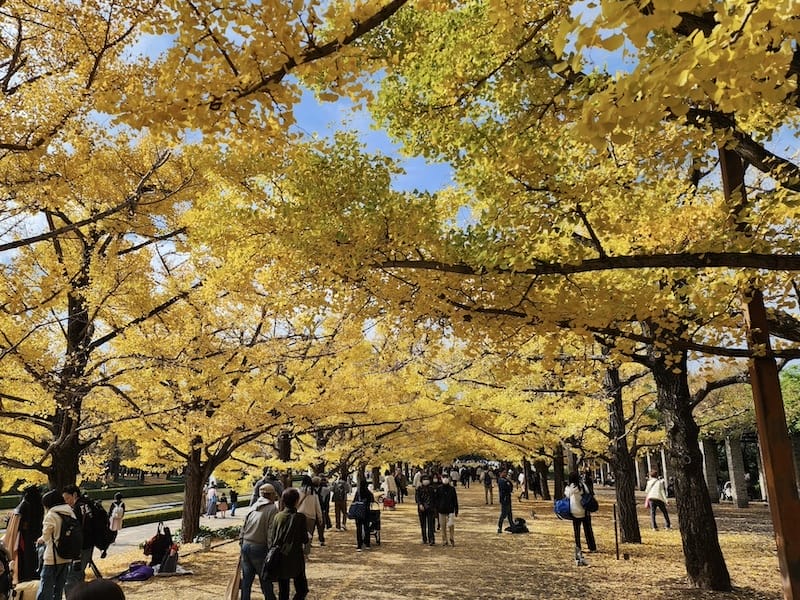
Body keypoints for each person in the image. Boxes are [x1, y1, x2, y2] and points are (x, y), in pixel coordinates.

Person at [239, 483, 279, 600]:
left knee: (247, 580)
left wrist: (241, 543)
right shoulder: (272, 509)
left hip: (246, 545)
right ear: (271, 495)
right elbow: (271, 532)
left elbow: (243, 527)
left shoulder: (253, 506)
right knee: (265, 578)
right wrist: (272, 550)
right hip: (260, 547)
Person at [268, 488, 309, 600]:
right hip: (296, 557)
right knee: (302, 589)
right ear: (296, 501)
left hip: (280, 557)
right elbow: (305, 539)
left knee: (283, 591)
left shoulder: (278, 516)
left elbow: (272, 538)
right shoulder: (300, 517)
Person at [36, 489, 74, 600]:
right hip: (66, 556)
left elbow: (46, 537)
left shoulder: (51, 515)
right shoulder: (70, 512)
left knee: (45, 589)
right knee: (59, 589)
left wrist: (41, 539)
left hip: (52, 558)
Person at [61, 485, 95, 594]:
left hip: (79, 548)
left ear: (74, 495)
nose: (66, 502)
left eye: (67, 498)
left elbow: (76, 530)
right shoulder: (87, 504)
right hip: (88, 545)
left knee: (71, 577)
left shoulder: (76, 508)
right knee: (79, 575)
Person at [10, 485, 44, 583]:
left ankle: (26, 576)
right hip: (37, 532)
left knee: (26, 556)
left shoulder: (25, 503)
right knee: (36, 556)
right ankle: (35, 574)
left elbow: (18, 519)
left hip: (26, 535)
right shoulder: (40, 503)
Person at [565, 471, 596, 566]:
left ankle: (578, 547)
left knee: (576, 531)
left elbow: (567, 495)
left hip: (574, 512)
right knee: (588, 529)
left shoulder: (570, 488)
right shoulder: (582, 486)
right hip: (584, 511)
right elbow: (590, 493)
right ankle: (592, 547)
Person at [296, 476, 323, 552]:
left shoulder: (299, 491)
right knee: (309, 535)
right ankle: (306, 552)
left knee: (299, 535)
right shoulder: (313, 493)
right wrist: (320, 517)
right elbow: (317, 506)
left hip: (300, 514)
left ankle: (300, 551)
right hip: (311, 516)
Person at [352, 478, 375, 552]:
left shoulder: (358, 493)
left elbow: (354, 501)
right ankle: (367, 543)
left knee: (358, 529)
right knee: (366, 528)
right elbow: (372, 500)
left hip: (358, 512)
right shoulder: (368, 493)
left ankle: (359, 545)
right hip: (366, 512)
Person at [436, 474, 459, 547]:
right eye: (444, 478)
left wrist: (456, 509)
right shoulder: (439, 488)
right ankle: (444, 540)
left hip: (450, 509)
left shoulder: (452, 489)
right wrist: (436, 509)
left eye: (446, 478)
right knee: (443, 526)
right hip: (441, 509)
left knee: (451, 525)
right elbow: (436, 500)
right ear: (441, 479)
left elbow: (455, 500)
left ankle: (451, 537)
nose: (445, 479)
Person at [414, 474, 436, 546]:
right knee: (423, 524)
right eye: (424, 479)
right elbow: (417, 498)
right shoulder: (419, 488)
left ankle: (431, 539)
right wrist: (420, 504)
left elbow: (434, 499)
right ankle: (424, 538)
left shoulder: (432, 488)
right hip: (421, 509)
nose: (426, 481)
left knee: (431, 525)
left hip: (430, 508)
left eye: (427, 479)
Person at [496, 469, 514, 533]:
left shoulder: (506, 480)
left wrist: (509, 481)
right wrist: (508, 482)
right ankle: (499, 527)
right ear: (500, 473)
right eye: (504, 472)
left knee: (510, 514)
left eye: (506, 472)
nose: (505, 473)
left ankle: (513, 527)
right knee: (503, 514)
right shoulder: (501, 480)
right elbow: (507, 487)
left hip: (508, 498)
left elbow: (511, 487)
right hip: (504, 499)